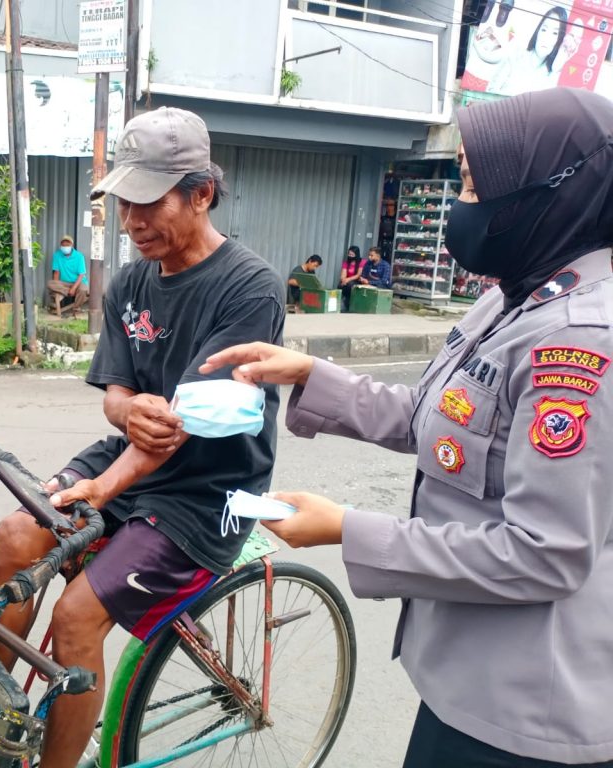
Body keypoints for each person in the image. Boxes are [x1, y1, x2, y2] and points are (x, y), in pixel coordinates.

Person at [201, 87, 613, 767]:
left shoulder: (579, 342)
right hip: (466, 678)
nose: (461, 209)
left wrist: (347, 528)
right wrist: (308, 373)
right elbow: (434, 419)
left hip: (526, 715)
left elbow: (547, 551)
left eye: (478, 191)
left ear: (546, 195)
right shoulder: (513, 297)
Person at [0, 107, 284, 768]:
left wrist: (104, 483)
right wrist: (125, 412)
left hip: (206, 492)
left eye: (148, 202)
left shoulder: (248, 288)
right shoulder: (133, 280)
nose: (132, 220)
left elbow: (178, 432)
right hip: (128, 464)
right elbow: (117, 392)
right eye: (123, 203)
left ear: (200, 194)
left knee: (75, 617)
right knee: (15, 538)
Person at [487, 7, 573, 96]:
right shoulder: (515, 56)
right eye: (544, 30)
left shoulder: (552, 75)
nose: (546, 38)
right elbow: (490, 91)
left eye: (555, 33)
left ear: (559, 40)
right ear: (538, 32)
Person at [47, 235, 89, 317]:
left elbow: (81, 274)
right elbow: (56, 273)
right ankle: (69, 291)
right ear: (60, 246)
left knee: (84, 290)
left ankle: (76, 309)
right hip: (64, 284)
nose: (65, 247)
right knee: (50, 284)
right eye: (63, 245)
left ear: (72, 246)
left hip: (78, 282)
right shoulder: (57, 255)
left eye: (67, 245)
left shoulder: (79, 256)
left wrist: (74, 288)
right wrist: (57, 288)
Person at [338, 245, 364, 309]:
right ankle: (341, 303)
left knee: (350, 285)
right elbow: (343, 274)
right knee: (340, 285)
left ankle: (349, 302)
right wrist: (343, 280)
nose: (350, 256)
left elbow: (358, 275)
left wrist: (348, 280)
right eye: (349, 254)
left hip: (357, 280)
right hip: (347, 280)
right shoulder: (346, 263)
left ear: (356, 254)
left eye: (352, 255)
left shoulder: (362, 262)